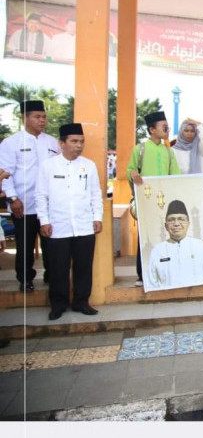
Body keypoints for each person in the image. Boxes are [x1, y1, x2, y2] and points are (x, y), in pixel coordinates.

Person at [35, 123, 103, 320]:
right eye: (74, 141)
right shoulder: (48, 166)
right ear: (61, 143)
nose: (79, 145)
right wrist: (44, 221)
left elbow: (95, 194)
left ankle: (82, 302)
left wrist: (97, 217)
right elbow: (41, 196)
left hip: (84, 225)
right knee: (58, 268)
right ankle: (58, 304)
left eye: (81, 141)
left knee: (83, 266)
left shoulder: (88, 165)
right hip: (58, 226)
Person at [0, 99, 59, 291]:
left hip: (49, 205)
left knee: (51, 244)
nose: (42, 121)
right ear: (24, 118)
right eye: (37, 117)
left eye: (44, 117)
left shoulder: (52, 142)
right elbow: (5, 172)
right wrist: (13, 198)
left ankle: (51, 276)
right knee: (24, 245)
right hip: (23, 204)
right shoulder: (11, 143)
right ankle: (25, 279)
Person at [127, 111, 180, 286]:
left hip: (165, 202)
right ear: (152, 129)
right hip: (146, 201)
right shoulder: (140, 149)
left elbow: (175, 176)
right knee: (145, 237)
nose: (167, 129)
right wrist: (132, 174)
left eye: (167, 126)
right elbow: (130, 170)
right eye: (163, 126)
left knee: (166, 236)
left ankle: (165, 273)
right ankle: (142, 276)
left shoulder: (168, 151)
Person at [147, 200, 203, 290]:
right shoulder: (157, 250)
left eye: (181, 219)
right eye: (171, 220)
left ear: (188, 224)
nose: (176, 224)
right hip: (168, 302)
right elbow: (152, 284)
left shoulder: (200, 246)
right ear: (166, 226)